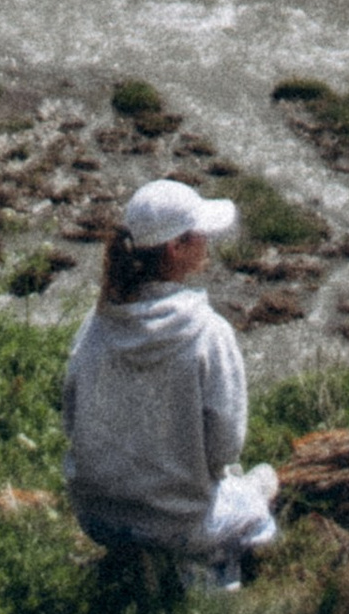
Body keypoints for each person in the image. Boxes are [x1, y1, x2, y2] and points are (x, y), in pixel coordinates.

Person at [61, 178, 281, 591]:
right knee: (263, 485)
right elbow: (225, 447)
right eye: (198, 235)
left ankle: (139, 563)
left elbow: (72, 422)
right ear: (176, 249)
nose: (207, 242)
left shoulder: (96, 326)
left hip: (97, 516)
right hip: (177, 523)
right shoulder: (207, 333)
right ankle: (196, 569)